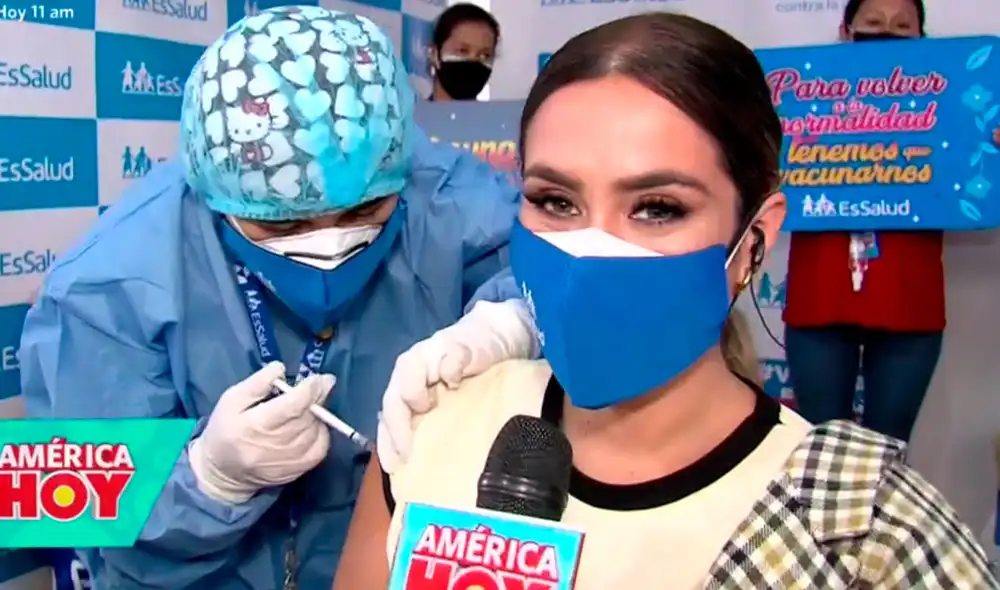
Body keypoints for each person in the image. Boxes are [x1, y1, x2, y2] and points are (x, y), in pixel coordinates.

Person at [337, 13, 997, 588]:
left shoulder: (858, 533)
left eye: (656, 208)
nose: (591, 251)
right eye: (555, 201)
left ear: (755, 240)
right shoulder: (438, 426)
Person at [18, 7, 536, 589]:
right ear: (216, 187)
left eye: (364, 212)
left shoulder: (442, 195)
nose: (329, 242)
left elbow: (547, 266)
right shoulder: (100, 288)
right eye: (283, 225)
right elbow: (75, 502)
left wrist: (507, 322)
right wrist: (206, 480)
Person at [783, 0, 1000, 442]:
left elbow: (975, 186)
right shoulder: (800, 98)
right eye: (873, 23)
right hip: (819, 297)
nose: (887, 33)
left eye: (903, 25)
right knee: (821, 453)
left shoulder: (954, 105)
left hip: (910, 302)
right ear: (846, 31)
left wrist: (989, 149)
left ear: (922, 36)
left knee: (889, 458)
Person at [426, 3, 498, 101]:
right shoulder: (411, 115)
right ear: (434, 53)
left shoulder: (500, 116)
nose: (473, 60)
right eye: (462, 51)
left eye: (484, 55)